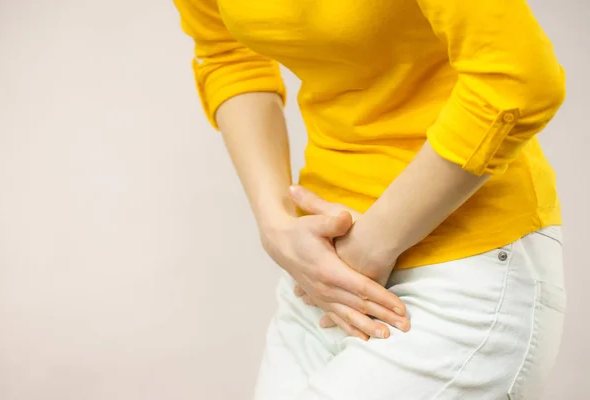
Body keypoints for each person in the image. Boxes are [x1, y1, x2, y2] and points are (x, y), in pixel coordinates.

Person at [173, 0, 567, 398]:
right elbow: (225, 54)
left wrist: (372, 244)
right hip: (320, 276)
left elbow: (518, 79)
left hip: (463, 261)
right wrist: (275, 226)